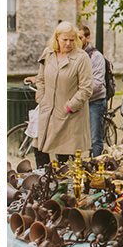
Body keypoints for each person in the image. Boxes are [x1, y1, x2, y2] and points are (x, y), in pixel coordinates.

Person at [32, 21, 92, 163]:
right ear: (57, 38)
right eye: (65, 39)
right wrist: (41, 97)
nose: (68, 43)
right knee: (39, 149)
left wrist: (70, 106)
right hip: (48, 112)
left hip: (70, 116)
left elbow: (86, 88)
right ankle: (44, 181)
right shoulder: (48, 53)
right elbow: (40, 78)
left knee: (65, 159)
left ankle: (63, 183)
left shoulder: (82, 58)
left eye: (72, 40)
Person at [80, 25, 108, 157]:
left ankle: (97, 168)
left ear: (87, 37)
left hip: (94, 101)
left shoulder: (96, 56)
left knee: (95, 138)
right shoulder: (74, 55)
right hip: (79, 101)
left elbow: (97, 83)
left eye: (80, 38)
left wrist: (79, 92)